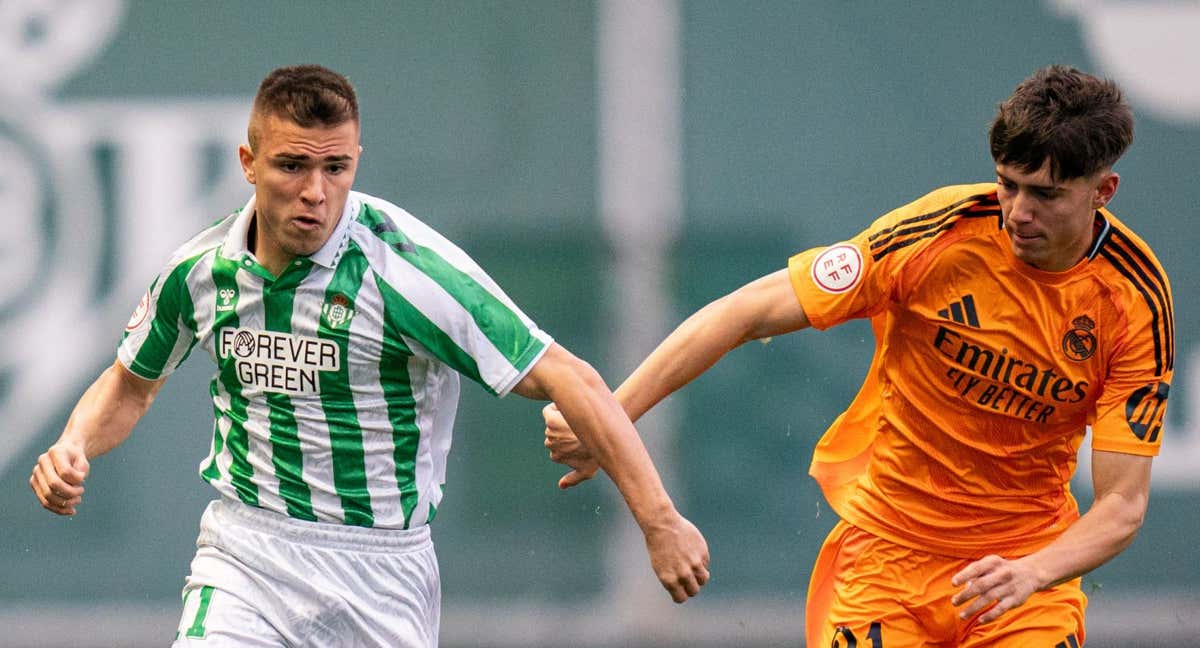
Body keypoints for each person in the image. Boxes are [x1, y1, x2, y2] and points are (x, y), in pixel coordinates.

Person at [29, 64, 710, 647]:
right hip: (247, 554)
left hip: (380, 572)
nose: (316, 192)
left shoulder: (406, 271)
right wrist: (74, 444)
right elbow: (130, 384)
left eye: (337, 168)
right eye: (292, 165)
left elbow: (569, 376)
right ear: (247, 163)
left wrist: (659, 520)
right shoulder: (200, 270)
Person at [544, 64, 1172, 646]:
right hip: (886, 557)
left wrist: (1034, 571)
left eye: (1045, 194)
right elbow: (745, 312)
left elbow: (1121, 506)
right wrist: (611, 415)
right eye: (1008, 185)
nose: (1018, 212)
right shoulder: (936, 235)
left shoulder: (1134, 303)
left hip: (1021, 570)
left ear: (1104, 190)